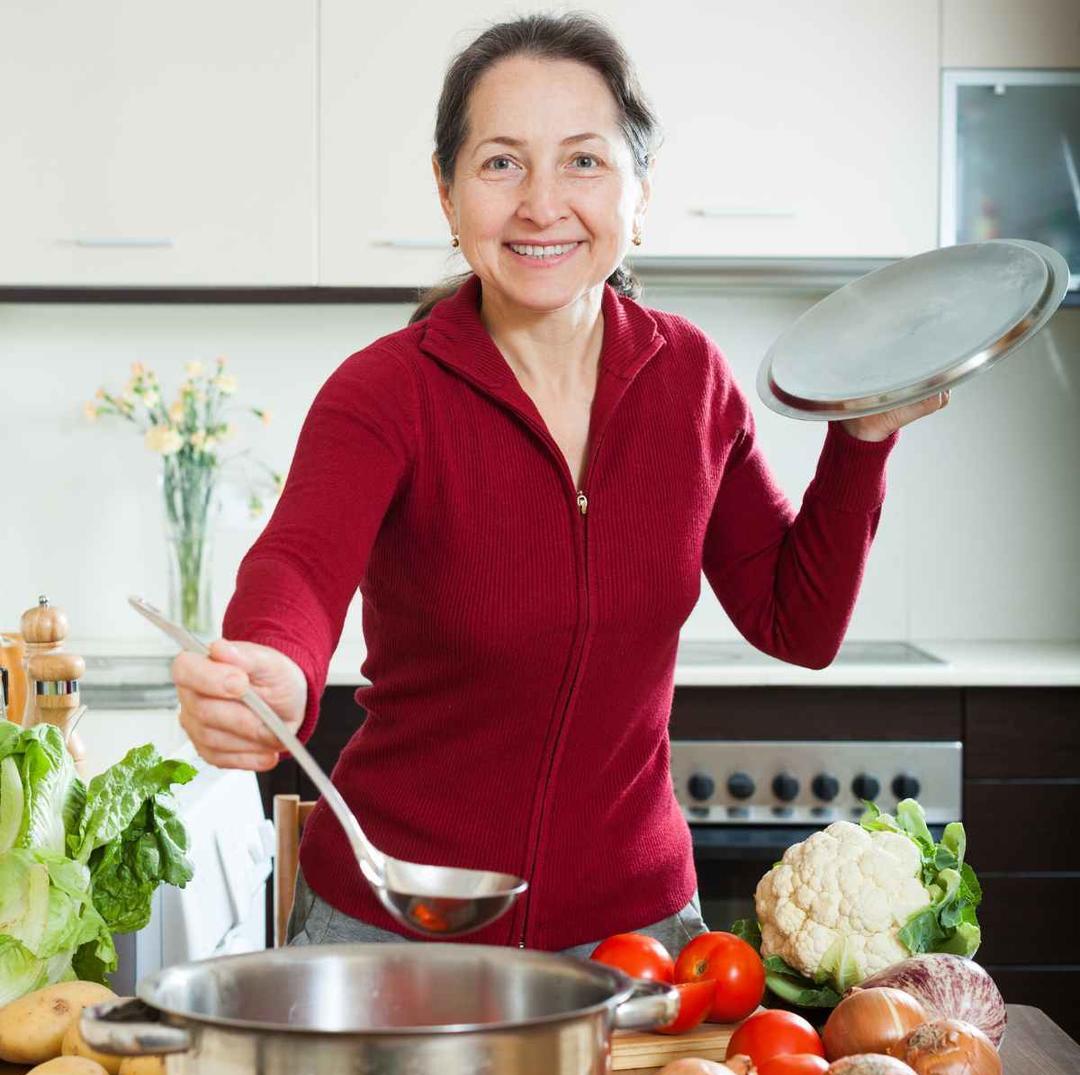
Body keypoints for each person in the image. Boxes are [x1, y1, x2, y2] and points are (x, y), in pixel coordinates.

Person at [170, 12, 947, 959]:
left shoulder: (692, 380)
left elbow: (798, 623)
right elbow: (300, 561)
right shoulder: (385, 390)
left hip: (634, 937)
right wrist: (273, 663)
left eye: (583, 161)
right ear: (448, 194)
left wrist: (861, 440)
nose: (542, 205)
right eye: (501, 163)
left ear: (639, 194)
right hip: (397, 923)